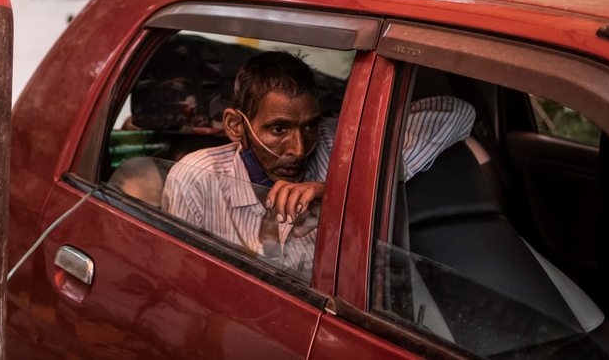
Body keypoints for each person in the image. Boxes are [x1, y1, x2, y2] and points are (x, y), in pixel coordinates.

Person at [161, 51, 474, 276]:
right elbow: (183, 283)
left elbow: (456, 112)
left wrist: (341, 190)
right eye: (279, 129)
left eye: (309, 126)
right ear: (235, 126)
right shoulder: (197, 179)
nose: (298, 149)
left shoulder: (336, 143)